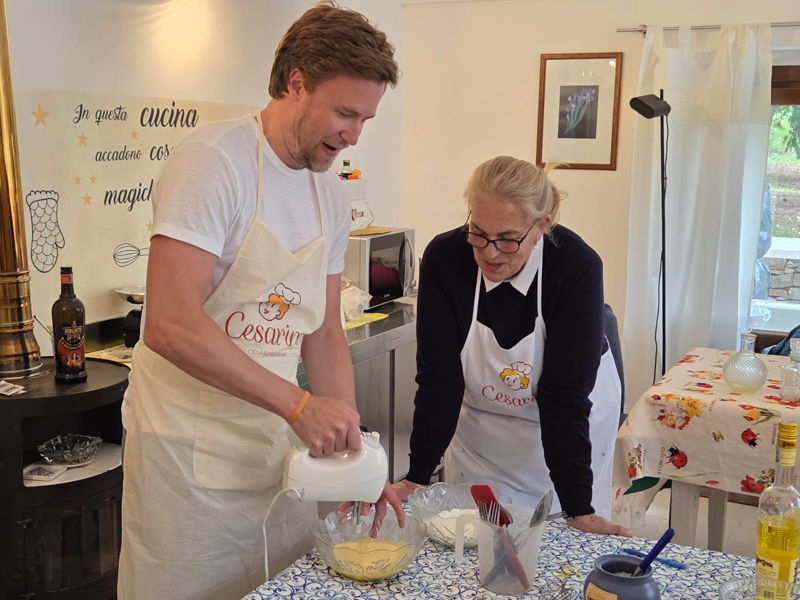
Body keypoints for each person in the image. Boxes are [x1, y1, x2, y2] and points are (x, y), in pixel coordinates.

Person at [117, 4, 401, 599]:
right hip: (189, 461)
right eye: (345, 113)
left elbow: (323, 332)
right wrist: (298, 405)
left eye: (365, 119)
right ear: (296, 83)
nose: (354, 136)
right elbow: (169, 322)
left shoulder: (329, 194)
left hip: (277, 454)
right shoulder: (214, 163)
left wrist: (354, 460)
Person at [386, 156, 630, 536]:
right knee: (476, 533)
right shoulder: (445, 258)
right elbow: (439, 379)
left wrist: (579, 507)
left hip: (566, 424)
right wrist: (417, 476)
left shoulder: (576, 266)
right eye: (478, 233)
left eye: (508, 239)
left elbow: (563, 397)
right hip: (483, 427)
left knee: (558, 535)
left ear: (541, 227)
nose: (490, 252)